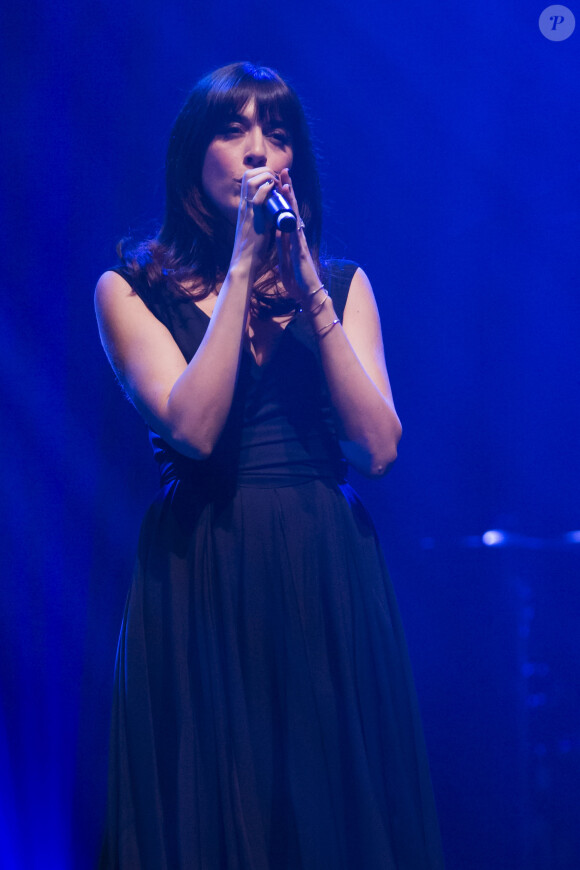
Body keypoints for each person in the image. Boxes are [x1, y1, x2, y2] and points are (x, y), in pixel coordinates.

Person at [95, 61, 444, 869]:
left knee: (331, 811)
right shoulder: (131, 288)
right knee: (213, 810)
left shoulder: (345, 287)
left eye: (277, 135)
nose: (260, 152)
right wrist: (246, 267)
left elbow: (379, 448)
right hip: (202, 572)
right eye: (236, 129)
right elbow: (195, 426)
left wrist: (311, 290)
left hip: (324, 568)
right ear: (194, 155)